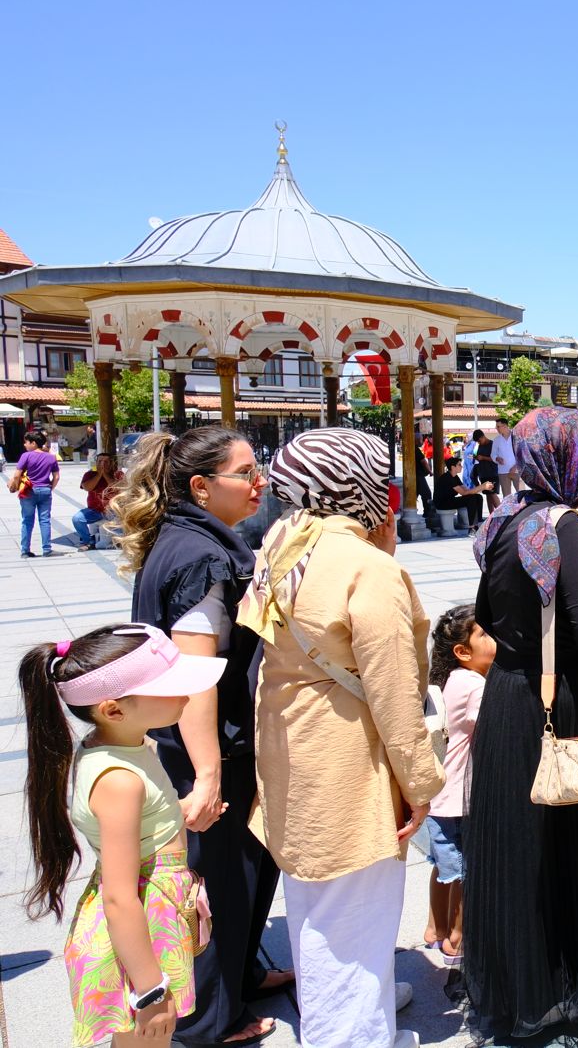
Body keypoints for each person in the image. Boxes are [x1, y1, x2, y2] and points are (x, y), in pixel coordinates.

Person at [240, 428, 443, 1048]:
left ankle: (364, 1005)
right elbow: (395, 690)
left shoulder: (283, 541)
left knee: (315, 906)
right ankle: (351, 1033)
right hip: (347, 762)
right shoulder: (366, 568)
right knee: (355, 910)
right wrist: (421, 785)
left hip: (291, 748)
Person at [462, 408, 578, 1040]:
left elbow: (486, 611)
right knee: (567, 842)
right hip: (558, 699)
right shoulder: (564, 524)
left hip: (507, 698)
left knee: (519, 845)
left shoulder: (504, 518)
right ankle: (573, 982)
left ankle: (521, 987)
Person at [113, 426, 287, 1046]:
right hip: (209, 749)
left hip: (206, 744)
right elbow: (195, 676)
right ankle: (211, 1021)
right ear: (201, 486)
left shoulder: (189, 538)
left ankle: (240, 978)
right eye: (245, 471)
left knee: (239, 879)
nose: (258, 479)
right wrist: (209, 774)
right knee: (216, 888)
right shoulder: (204, 557)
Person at [20, 623, 226, 1048]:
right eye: (171, 687)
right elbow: (119, 896)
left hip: (152, 916)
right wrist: (150, 991)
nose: (186, 694)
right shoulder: (119, 779)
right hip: (139, 929)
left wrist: (176, 816)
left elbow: (136, 828)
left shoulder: (126, 746)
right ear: (114, 710)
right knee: (145, 1039)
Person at [423, 604, 492, 966]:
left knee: (442, 866)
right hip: (458, 801)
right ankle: (458, 939)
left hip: (439, 799)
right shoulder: (474, 684)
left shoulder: (451, 679)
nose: (494, 637)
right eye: (485, 633)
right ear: (462, 652)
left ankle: (435, 928)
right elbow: (491, 729)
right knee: (467, 871)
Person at [13, 429, 61, 558]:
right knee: (44, 520)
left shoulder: (26, 456)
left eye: (26, 442)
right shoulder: (51, 457)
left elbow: (17, 475)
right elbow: (56, 477)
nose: (25, 445)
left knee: (27, 520)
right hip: (45, 489)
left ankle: (25, 550)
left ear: (33, 443)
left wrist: (16, 487)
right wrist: (50, 488)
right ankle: (47, 549)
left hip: (29, 491)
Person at [75, 452, 125, 551]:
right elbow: (88, 487)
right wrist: (99, 475)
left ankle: (118, 540)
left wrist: (105, 474)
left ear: (111, 463)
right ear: (96, 463)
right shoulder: (89, 474)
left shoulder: (118, 474)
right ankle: (88, 541)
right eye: (100, 461)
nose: (103, 464)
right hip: (95, 510)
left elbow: (117, 488)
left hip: (113, 510)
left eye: (106, 462)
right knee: (77, 519)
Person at [434, 455, 489, 527]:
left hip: (450, 500)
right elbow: (463, 493)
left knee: (478, 497)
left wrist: (480, 488)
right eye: (459, 465)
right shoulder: (447, 477)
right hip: (442, 503)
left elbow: (466, 490)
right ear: (453, 467)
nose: (461, 467)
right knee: (471, 499)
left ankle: (478, 521)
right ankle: (472, 527)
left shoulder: (455, 476)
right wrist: (482, 487)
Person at [471, 428, 499, 511]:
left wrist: (483, 457)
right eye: (477, 442)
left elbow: (496, 459)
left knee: (492, 494)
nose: (479, 443)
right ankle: (491, 516)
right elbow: (479, 455)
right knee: (488, 495)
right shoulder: (480, 445)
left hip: (492, 473)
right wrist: (476, 457)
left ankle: (502, 515)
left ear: (483, 436)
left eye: (479, 441)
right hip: (483, 473)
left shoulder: (492, 444)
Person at [490, 416, 520, 493]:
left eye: (498, 427)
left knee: (522, 495)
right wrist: (497, 458)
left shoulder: (516, 437)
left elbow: (522, 454)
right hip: (503, 472)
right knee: (506, 497)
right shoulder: (496, 440)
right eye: (496, 427)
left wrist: (516, 466)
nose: (496, 428)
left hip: (517, 471)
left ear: (505, 426)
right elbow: (493, 454)